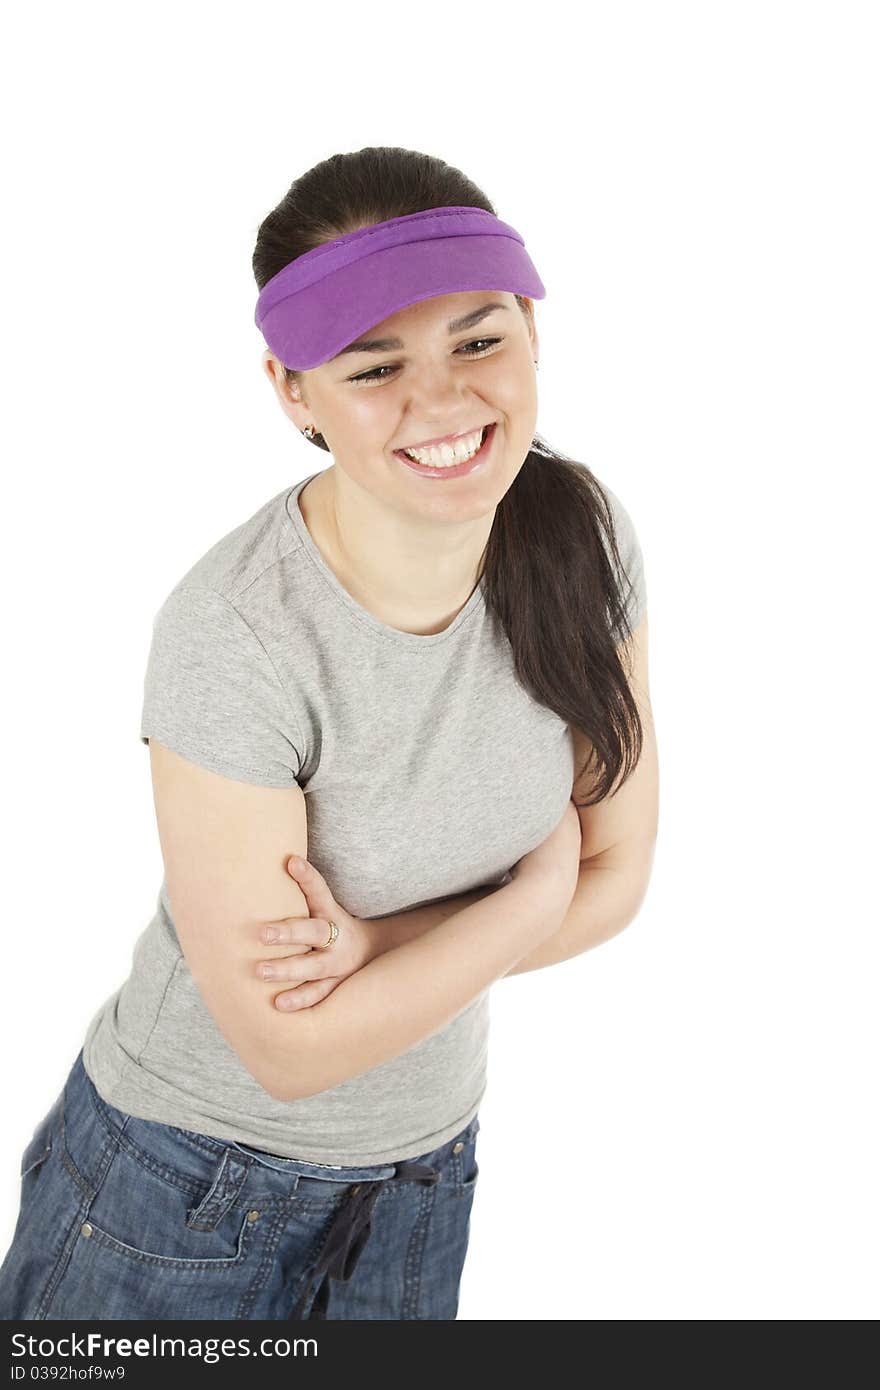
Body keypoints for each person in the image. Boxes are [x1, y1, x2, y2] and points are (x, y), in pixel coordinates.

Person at [0, 146, 658, 1321]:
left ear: (533, 335)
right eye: (373, 365)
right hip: (179, 1192)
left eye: (478, 338)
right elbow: (290, 1051)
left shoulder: (581, 538)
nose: (445, 400)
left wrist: (383, 949)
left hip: (424, 1175)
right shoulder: (236, 636)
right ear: (291, 391)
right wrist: (526, 891)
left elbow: (619, 884)